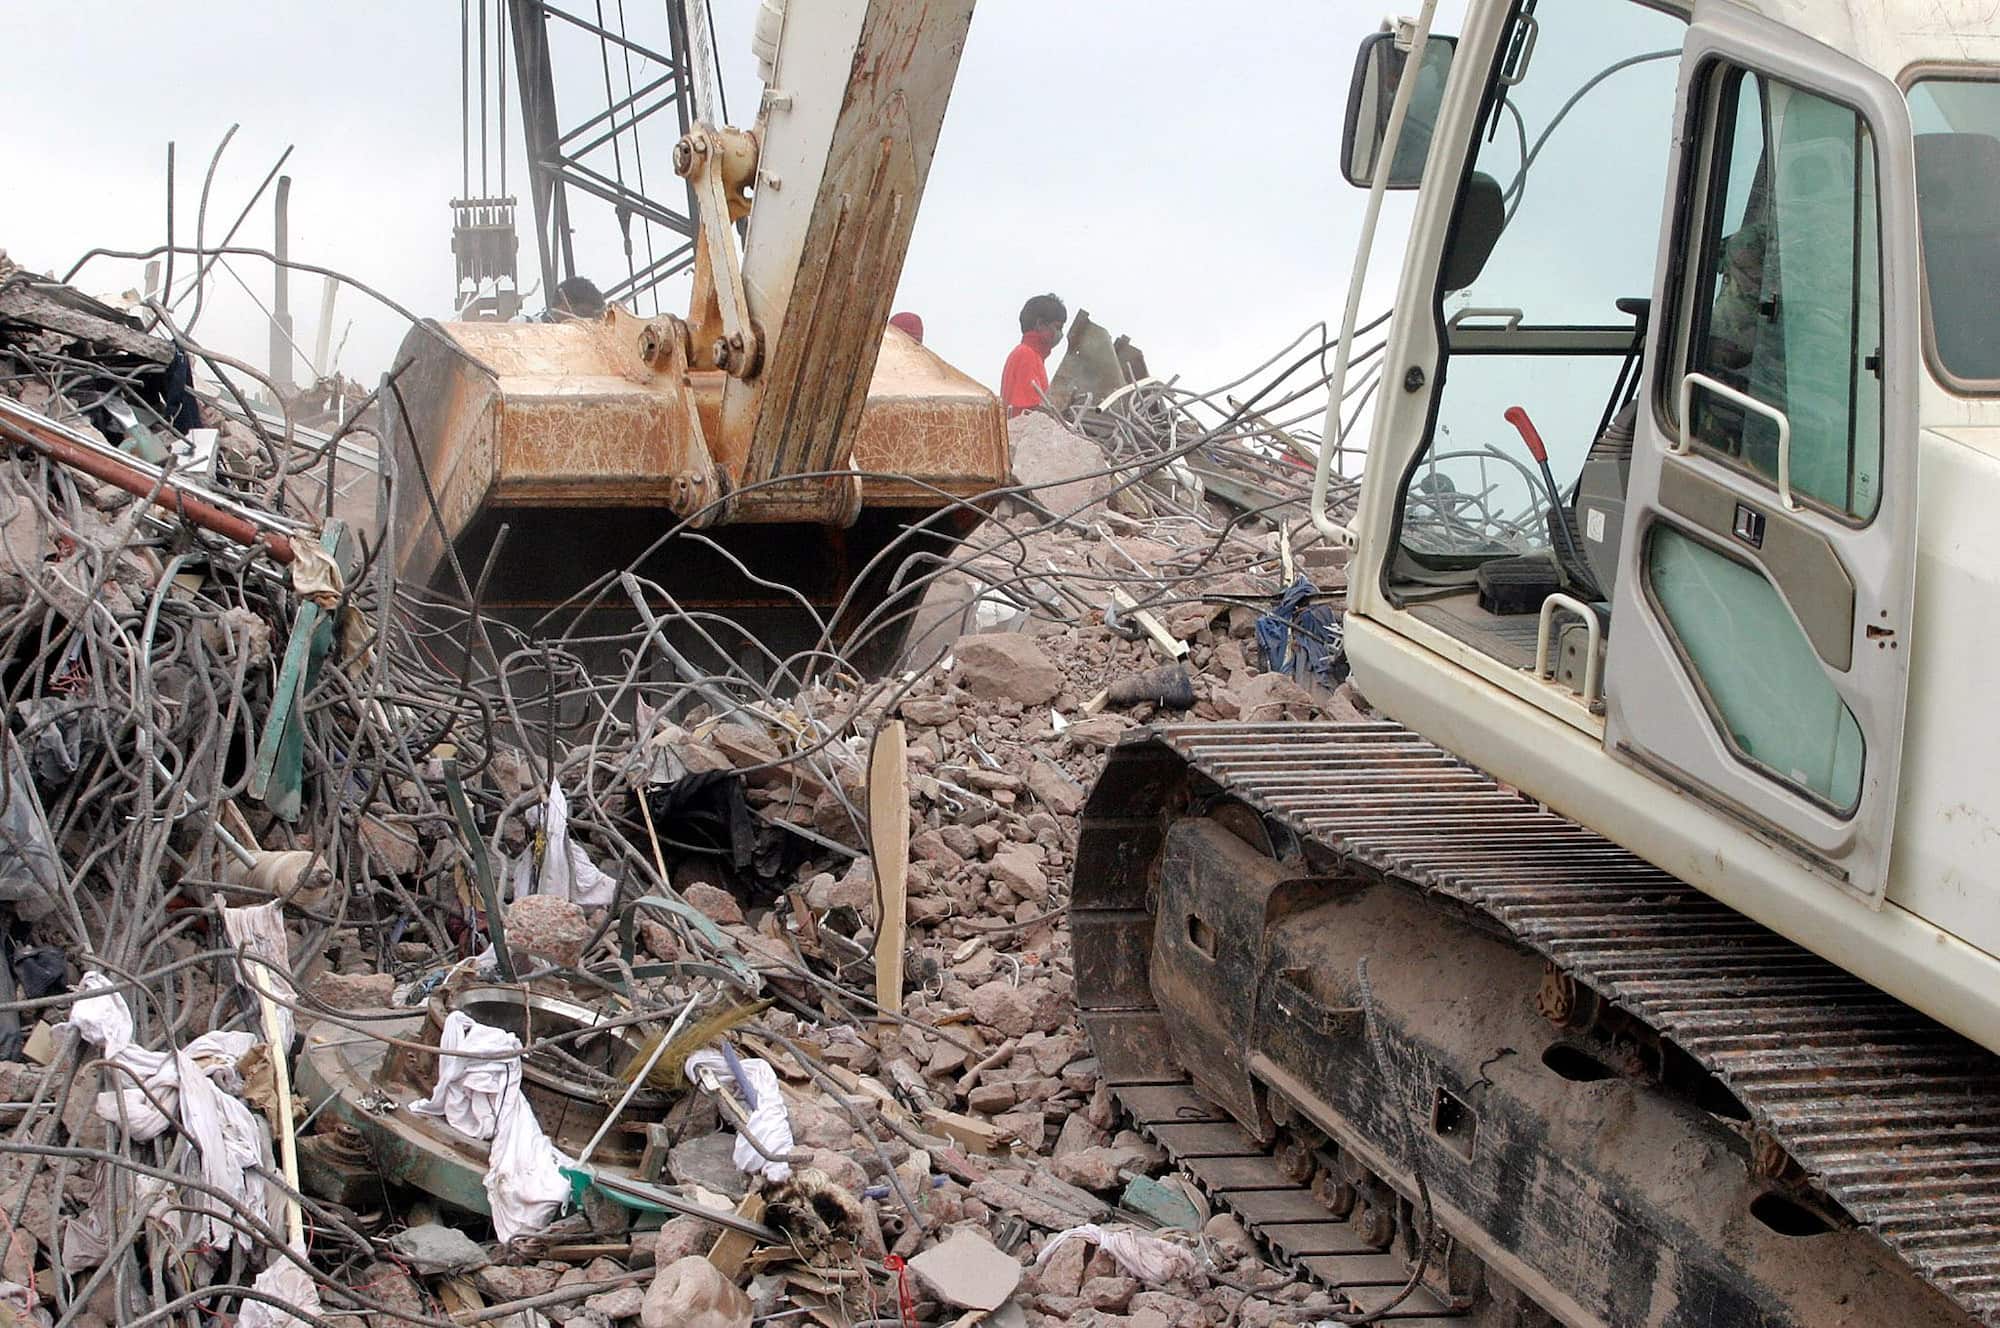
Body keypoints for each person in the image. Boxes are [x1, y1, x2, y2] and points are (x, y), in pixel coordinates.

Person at [1000, 293, 1065, 417]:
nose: (1060, 334)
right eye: (1058, 327)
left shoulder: (1032, 355)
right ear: (1040, 324)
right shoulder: (1026, 354)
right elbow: (1031, 412)